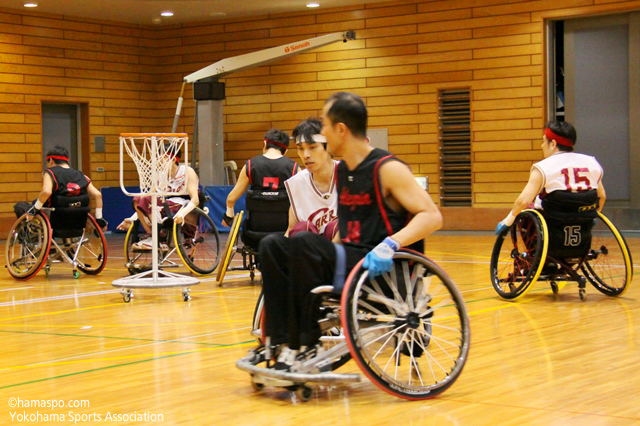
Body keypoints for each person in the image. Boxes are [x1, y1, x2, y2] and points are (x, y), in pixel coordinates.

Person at [258, 92, 443, 371]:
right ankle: (278, 342)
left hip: (384, 269)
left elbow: (432, 216)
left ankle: (306, 344)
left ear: (341, 129)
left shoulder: (387, 168)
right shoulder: (345, 172)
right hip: (351, 260)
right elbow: (344, 230)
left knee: (304, 242)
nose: (322, 132)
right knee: (272, 245)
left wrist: (391, 244)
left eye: (325, 126)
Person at [495, 121, 605, 234]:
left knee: (527, 210)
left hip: (552, 221)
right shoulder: (591, 162)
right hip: (583, 220)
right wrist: (592, 217)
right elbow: (601, 196)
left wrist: (508, 221)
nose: (542, 145)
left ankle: (533, 250)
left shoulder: (542, 167)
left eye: (543, 141)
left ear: (553, 144)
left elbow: (523, 201)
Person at [117, 144, 199, 250]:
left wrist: (182, 214)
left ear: (173, 159)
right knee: (139, 198)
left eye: (161, 158)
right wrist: (132, 219)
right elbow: (148, 202)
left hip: (182, 205)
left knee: (149, 199)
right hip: (165, 204)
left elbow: (195, 199)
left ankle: (158, 236)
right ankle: (152, 234)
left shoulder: (187, 171)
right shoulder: (161, 175)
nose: (158, 161)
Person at [14, 145, 107, 229]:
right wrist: (98, 218)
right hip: (78, 217)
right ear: (67, 161)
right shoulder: (82, 175)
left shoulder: (50, 172)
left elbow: (46, 192)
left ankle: (30, 238)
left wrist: (35, 209)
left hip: (56, 216)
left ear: (50, 160)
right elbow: (98, 195)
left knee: (21, 206)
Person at [221, 128, 299, 227]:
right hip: (284, 231)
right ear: (286, 151)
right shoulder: (294, 168)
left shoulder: (249, 166)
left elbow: (231, 199)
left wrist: (229, 217)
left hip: (254, 231)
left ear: (265, 144)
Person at [284, 118, 339, 238]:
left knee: (337, 227)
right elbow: (290, 229)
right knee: (301, 229)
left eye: (312, 147)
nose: (306, 155)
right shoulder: (297, 182)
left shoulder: (350, 175)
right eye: (300, 148)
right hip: (311, 253)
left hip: (344, 252)